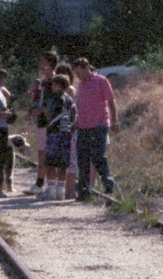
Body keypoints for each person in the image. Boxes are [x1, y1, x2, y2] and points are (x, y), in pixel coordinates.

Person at [72, 57, 118, 200]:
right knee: (82, 159)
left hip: (99, 124)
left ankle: (108, 182)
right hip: (83, 126)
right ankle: (84, 190)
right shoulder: (81, 85)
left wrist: (115, 121)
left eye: (78, 72)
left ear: (85, 68)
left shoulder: (101, 81)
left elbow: (111, 101)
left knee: (97, 155)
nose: (77, 76)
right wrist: (76, 121)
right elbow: (80, 105)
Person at [27, 50, 59, 195]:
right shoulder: (43, 83)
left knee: (48, 154)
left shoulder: (55, 81)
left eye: (43, 61)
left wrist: (41, 110)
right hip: (42, 122)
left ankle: (49, 184)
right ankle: (41, 183)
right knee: (42, 154)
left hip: (51, 124)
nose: (40, 63)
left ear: (49, 63)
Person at [41, 74, 75, 200]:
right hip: (66, 133)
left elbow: (49, 115)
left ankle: (50, 190)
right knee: (62, 164)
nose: (52, 87)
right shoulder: (70, 100)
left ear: (58, 85)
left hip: (54, 131)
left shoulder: (53, 98)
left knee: (50, 163)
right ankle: (61, 191)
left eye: (54, 84)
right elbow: (73, 117)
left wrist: (44, 112)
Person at [0, 68, 16, 196]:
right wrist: (2, 114)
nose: (3, 81)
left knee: (1, 158)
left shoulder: (0, 92)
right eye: (1, 78)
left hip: (3, 127)